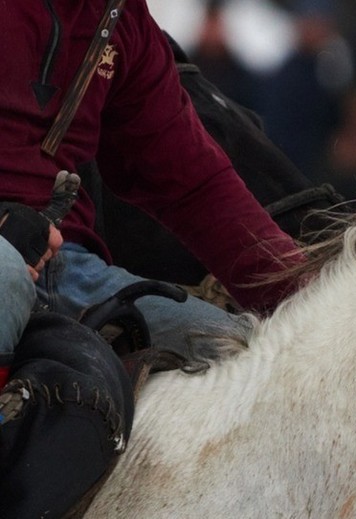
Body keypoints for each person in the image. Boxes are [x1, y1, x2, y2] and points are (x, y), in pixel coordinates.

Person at [0, 0, 302, 514]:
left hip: (68, 264)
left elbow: (193, 182)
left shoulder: (123, 20)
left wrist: (309, 289)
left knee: (242, 356)